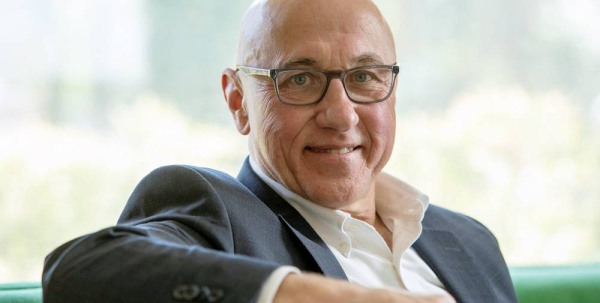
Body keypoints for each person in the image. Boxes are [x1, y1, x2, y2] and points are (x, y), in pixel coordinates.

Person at [42, 0, 518, 302]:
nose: (342, 114)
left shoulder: (469, 241)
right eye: (300, 79)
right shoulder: (216, 213)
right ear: (238, 101)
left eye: (364, 77)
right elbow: (78, 274)